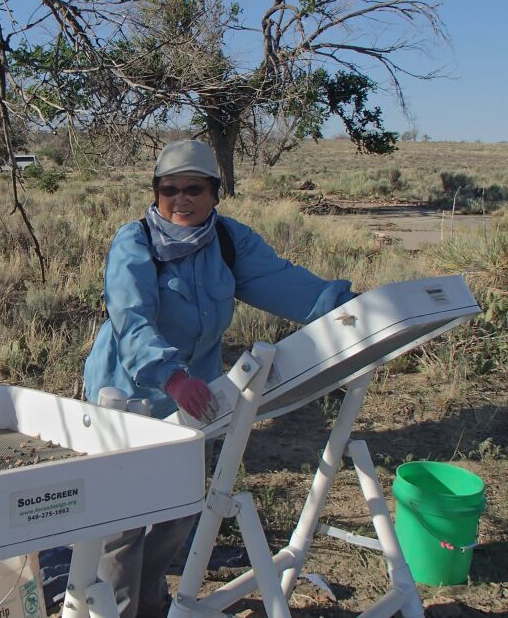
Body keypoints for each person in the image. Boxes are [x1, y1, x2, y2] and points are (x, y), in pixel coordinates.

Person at [83, 139, 356, 618]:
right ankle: (119, 611)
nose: (181, 200)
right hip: (127, 394)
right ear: (155, 193)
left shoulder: (230, 241)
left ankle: (151, 603)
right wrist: (170, 375)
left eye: (194, 189)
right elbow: (131, 318)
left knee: (179, 510)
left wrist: (351, 309)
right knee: (122, 526)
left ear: (215, 192)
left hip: (197, 399)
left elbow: (286, 284)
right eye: (169, 190)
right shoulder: (135, 242)